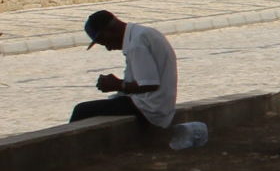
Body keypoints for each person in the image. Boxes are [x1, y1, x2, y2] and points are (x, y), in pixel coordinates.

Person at [72, 10, 207, 150]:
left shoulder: (136, 44)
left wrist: (118, 84)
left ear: (109, 31)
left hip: (149, 107)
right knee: (105, 105)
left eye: (104, 42)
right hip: (157, 104)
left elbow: (149, 84)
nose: (108, 48)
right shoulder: (141, 34)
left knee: (81, 110)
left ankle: (73, 151)